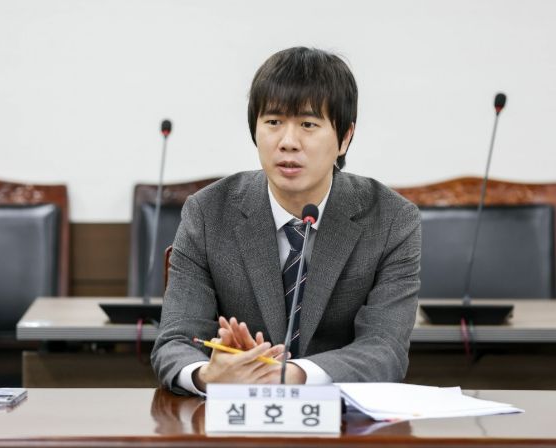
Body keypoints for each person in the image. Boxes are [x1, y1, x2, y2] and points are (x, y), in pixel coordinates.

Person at [151, 46, 421, 395]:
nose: (288, 142)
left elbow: (385, 349)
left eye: (308, 124)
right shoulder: (207, 213)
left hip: (343, 418)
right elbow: (175, 341)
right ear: (255, 130)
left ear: (345, 137)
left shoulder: (392, 220)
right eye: (273, 122)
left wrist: (288, 375)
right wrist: (210, 374)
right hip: (235, 416)